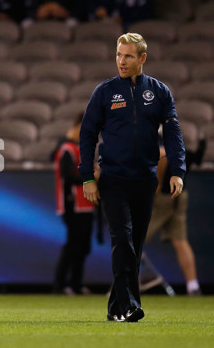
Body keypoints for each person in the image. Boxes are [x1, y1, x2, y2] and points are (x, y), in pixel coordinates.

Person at [79, 33, 186, 322]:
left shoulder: (160, 92)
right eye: (118, 55)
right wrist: (88, 177)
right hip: (113, 178)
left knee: (134, 246)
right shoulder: (104, 92)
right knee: (123, 239)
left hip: (145, 179)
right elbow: (87, 134)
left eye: (127, 56)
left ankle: (117, 309)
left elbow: (174, 134)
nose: (121, 61)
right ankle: (128, 306)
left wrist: (177, 171)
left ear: (142, 58)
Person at [144, 136, 205, 295]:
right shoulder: (179, 140)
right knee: (180, 241)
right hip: (179, 195)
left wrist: (154, 190)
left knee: (134, 238)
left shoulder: (159, 138)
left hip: (163, 198)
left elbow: (161, 156)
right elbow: (194, 158)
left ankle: (123, 284)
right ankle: (193, 286)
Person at [52, 112, 95, 295]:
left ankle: (76, 283)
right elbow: (67, 177)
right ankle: (60, 285)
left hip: (85, 204)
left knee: (82, 246)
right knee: (73, 245)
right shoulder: (67, 149)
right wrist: (91, 178)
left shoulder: (77, 149)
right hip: (72, 204)